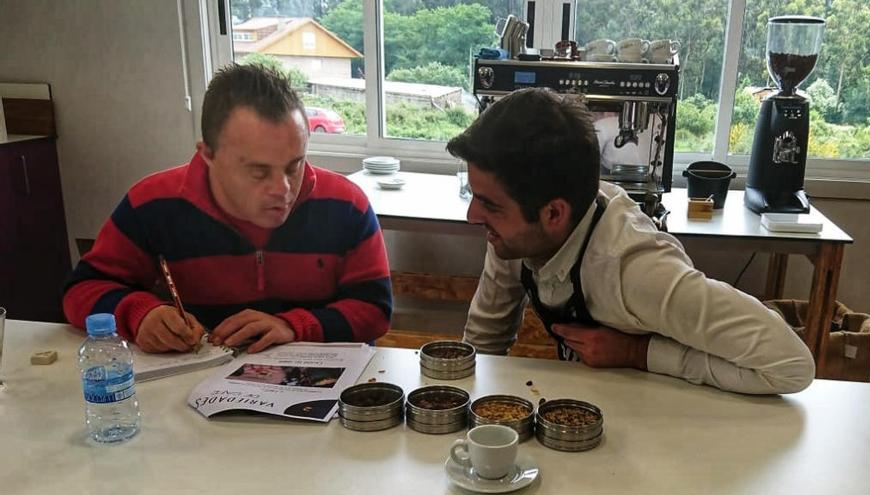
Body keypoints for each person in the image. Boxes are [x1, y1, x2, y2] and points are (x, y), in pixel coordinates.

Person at [447, 87, 814, 395]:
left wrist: (640, 353)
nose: (472, 216)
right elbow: (484, 342)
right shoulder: (516, 235)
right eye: (475, 197)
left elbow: (792, 366)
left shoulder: (636, 272)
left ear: (553, 214)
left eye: (490, 205)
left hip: (673, 419)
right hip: (596, 404)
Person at [63, 64, 391, 354]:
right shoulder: (153, 203)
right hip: (188, 392)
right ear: (208, 155)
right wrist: (139, 313)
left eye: (295, 165)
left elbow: (374, 311)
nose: (283, 189)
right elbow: (82, 291)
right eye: (259, 172)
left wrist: (295, 326)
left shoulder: (346, 205)